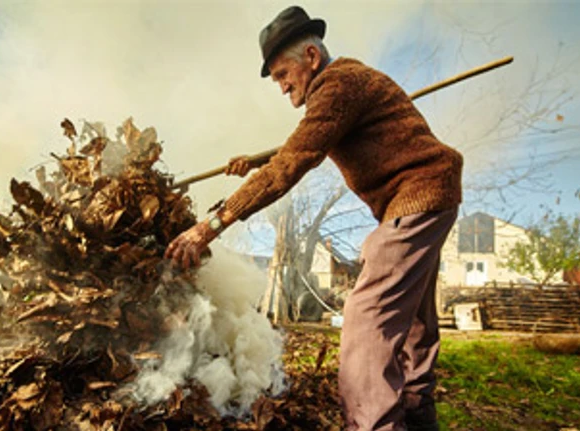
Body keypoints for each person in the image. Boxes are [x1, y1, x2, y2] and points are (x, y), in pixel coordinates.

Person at [165, 6, 463, 431]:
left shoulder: (338, 85)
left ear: (310, 56)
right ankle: (417, 413)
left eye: (283, 74)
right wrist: (253, 161)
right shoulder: (345, 87)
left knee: (367, 318)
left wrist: (212, 224)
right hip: (434, 195)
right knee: (413, 317)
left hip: (417, 197)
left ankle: (373, 424)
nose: (282, 87)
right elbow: (299, 145)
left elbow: (293, 162)